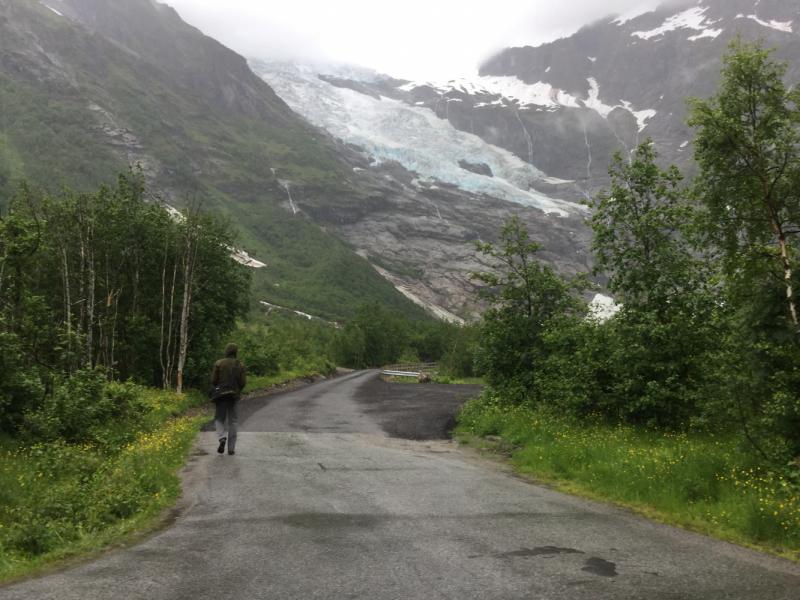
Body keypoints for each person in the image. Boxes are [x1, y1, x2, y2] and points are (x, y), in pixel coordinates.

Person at [211, 343, 247, 455]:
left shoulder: (219, 363)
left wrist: (221, 386)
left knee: (219, 419)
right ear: (235, 352)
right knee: (233, 421)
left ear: (226, 350)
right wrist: (236, 390)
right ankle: (231, 449)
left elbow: (213, 381)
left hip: (221, 396)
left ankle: (222, 438)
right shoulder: (240, 365)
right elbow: (243, 383)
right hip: (233, 396)